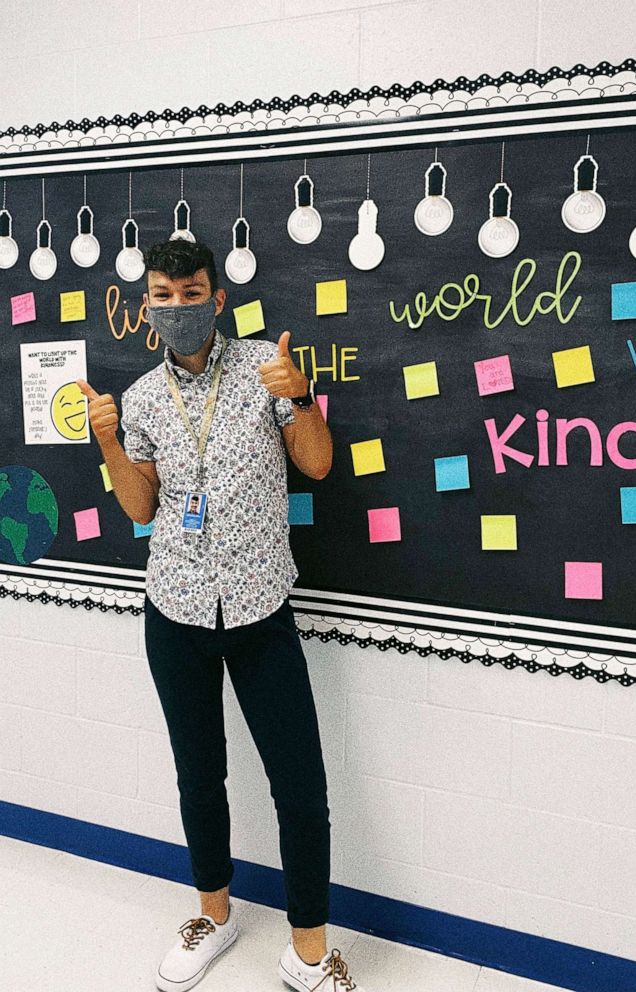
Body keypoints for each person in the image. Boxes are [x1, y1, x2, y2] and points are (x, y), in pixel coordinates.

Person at [77, 239, 365, 992]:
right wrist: (107, 440)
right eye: (164, 295)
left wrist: (300, 397)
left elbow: (317, 464)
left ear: (218, 298)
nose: (179, 306)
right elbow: (141, 506)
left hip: (260, 604)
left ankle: (308, 954)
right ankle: (213, 914)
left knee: (299, 783)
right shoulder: (139, 399)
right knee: (198, 775)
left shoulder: (267, 366)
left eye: (192, 291)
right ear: (147, 307)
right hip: (172, 607)